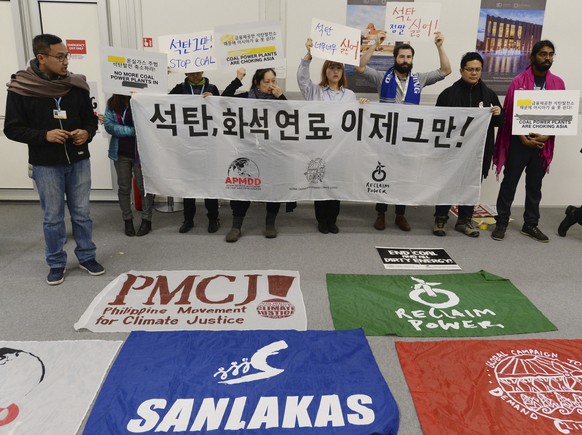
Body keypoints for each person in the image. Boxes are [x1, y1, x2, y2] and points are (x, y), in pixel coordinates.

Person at [4, 33, 104, 285]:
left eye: (66, 56)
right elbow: (12, 129)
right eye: (60, 57)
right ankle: (56, 262)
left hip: (79, 160)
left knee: (82, 213)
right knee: (53, 217)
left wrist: (87, 132)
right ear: (41, 58)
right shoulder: (21, 88)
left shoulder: (76, 86)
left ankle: (86, 256)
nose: (66, 62)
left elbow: (90, 119)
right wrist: (44, 135)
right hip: (45, 164)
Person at [356, 31, 451, 232]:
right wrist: (374, 45)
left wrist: (439, 46)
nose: (405, 60)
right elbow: (360, 67)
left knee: (404, 176)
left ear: (412, 59)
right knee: (382, 173)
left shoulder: (420, 79)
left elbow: (446, 70)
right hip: (386, 136)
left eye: (408, 57)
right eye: (401, 56)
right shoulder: (383, 78)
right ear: (395, 59)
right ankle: (381, 213)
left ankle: (400, 214)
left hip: (408, 137)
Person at [491, 40, 566, 242]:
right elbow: (509, 115)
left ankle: (530, 224)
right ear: (533, 57)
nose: (547, 58)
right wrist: (523, 137)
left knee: (535, 185)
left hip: (543, 143)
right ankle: (502, 222)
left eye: (550, 54)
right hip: (519, 142)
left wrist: (547, 135)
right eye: (543, 54)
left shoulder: (558, 84)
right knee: (510, 183)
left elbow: (560, 116)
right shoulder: (519, 81)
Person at [298, 38, 367, 234]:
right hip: (320, 145)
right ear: (325, 71)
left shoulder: (349, 95)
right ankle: (321, 220)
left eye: (339, 68)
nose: (335, 72)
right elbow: (302, 80)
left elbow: (355, 118)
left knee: (336, 183)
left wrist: (362, 104)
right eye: (331, 68)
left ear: (342, 72)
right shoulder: (315, 91)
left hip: (340, 147)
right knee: (320, 181)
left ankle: (332, 219)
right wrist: (308, 57)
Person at [432, 52, 503, 237]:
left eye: (477, 69)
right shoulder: (447, 95)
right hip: (452, 150)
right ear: (461, 70)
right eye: (470, 69)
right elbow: (436, 124)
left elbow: (499, 123)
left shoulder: (489, 96)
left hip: (478, 151)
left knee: (471, 184)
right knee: (447, 183)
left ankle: (464, 220)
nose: (474, 73)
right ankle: (440, 218)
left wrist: (497, 113)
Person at [221, 67, 287, 242]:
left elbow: (291, 117)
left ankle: (270, 223)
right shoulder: (245, 98)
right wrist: (238, 79)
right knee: (243, 185)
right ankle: (236, 226)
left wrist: (280, 97)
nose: (271, 85)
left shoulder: (279, 99)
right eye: (267, 81)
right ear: (257, 83)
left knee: (273, 186)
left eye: (274, 80)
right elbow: (224, 99)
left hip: (272, 151)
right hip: (248, 150)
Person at [169, 71, 220, 234]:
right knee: (188, 183)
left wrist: (214, 99)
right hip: (187, 143)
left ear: (203, 71)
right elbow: (162, 103)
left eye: (197, 73)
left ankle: (213, 218)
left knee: (209, 182)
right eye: (191, 74)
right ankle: (188, 219)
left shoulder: (212, 87)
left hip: (208, 143)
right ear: (186, 73)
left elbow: (222, 110)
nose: (195, 77)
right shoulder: (179, 89)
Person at [104, 94, 154, 237]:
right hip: (120, 153)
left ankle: (146, 220)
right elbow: (109, 126)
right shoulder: (113, 103)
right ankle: (127, 219)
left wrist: (123, 129)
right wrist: (132, 131)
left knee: (144, 188)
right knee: (124, 187)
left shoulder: (143, 101)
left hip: (142, 153)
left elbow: (149, 126)